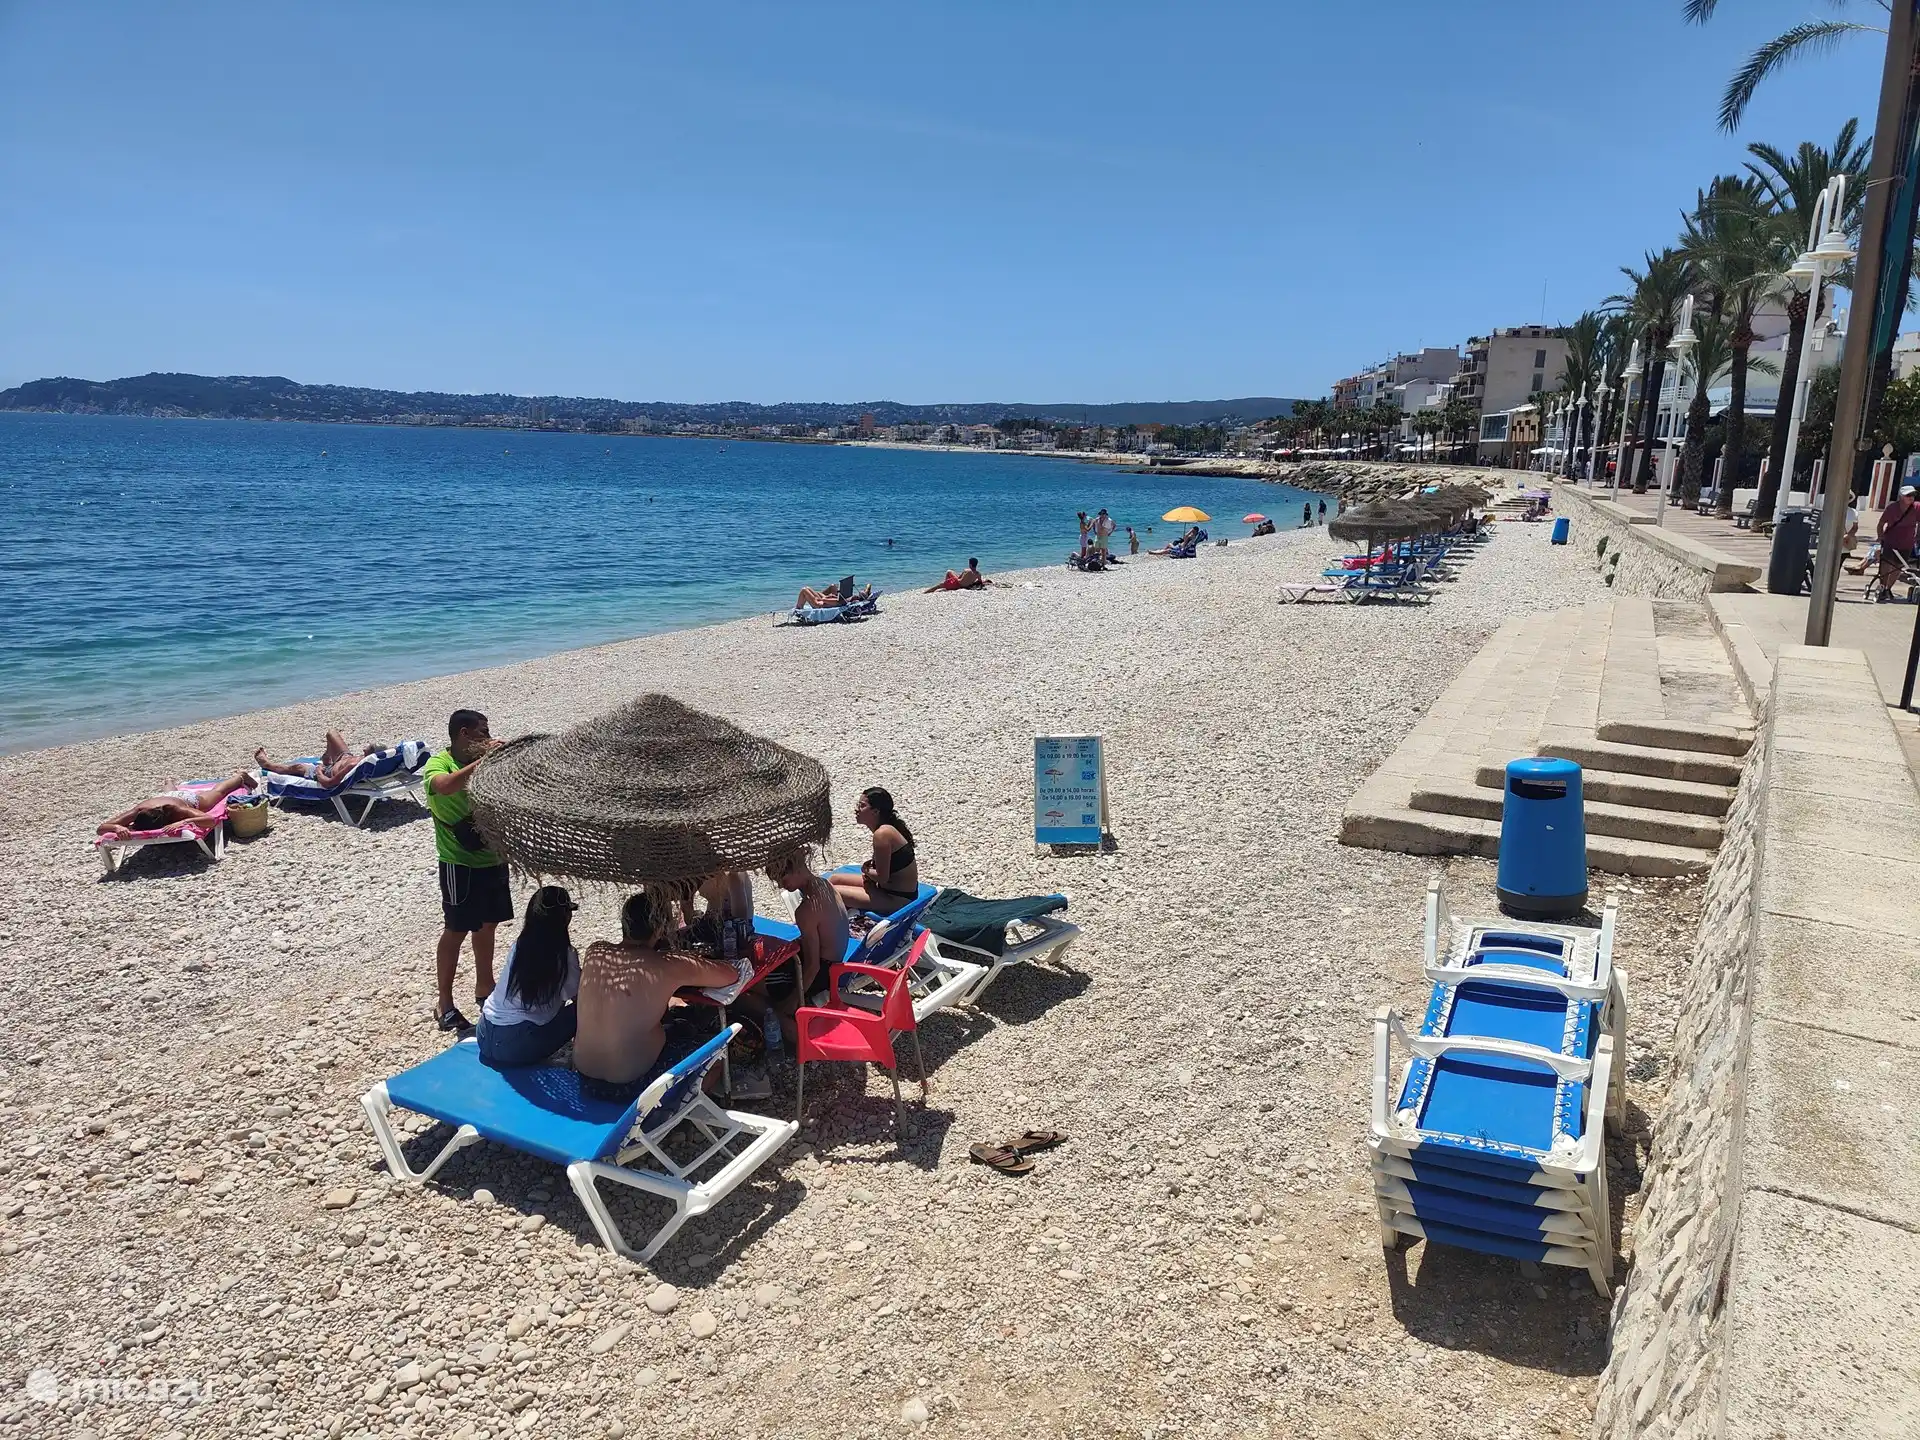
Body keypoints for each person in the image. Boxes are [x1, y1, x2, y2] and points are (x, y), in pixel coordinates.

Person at [573, 892, 740, 1101]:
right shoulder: (665, 964)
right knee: (717, 1058)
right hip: (635, 1090)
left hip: (585, 1079)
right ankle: (672, 1114)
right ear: (661, 928)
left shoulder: (596, 953)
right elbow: (730, 975)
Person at [424, 709, 509, 1034]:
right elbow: (443, 787)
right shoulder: (439, 763)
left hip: (492, 857)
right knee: (456, 930)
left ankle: (484, 988)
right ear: (463, 734)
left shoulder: (485, 761)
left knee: (487, 927)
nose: (487, 738)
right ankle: (445, 1003)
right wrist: (482, 762)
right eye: (482, 733)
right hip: (459, 863)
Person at [476, 886, 581, 1068]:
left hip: (484, 1034)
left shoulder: (519, 946)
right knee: (585, 1010)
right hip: (518, 1045)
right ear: (564, 917)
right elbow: (580, 998)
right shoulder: (564, 955)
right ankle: (587, 1059)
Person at [766, 850, 852, 1039]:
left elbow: (813, 966)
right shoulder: (825, 885)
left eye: (782, 878)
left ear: (796, 869)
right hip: (836, 964)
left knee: (758, 987)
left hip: (822, 974)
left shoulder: (806, 909)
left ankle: (790, 1029)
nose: (781, 884)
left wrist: (794, 999)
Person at [830, 786, 920, 913]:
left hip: (898, 899)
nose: (856, 810)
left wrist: (865, 869)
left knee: (831, 892)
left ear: (875, 811)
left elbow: (881, 877)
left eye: (862, 806)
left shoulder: (882, 834)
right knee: (834, 879)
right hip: (888, 889)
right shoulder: (887, 829)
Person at [98, 771, 255, 838]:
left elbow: (209, 820)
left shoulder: (178, 810)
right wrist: (117, 827)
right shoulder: (138, 811)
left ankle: (240, 777)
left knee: (217, 793)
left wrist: (185, 820)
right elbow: (101, 828)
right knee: (169, 793)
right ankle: (169, 782)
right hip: (166, 796)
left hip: (186, 798)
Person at [253, 731, 379, 787]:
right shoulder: (374, 762)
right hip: (344, 758)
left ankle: (267, 764)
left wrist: (319, 770)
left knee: (297, 767)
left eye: (367, 748)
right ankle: (327, 756)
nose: (363, 748)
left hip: (328, 771)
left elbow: (329, 783)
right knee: (332, 733)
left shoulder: (354, 766)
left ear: (370, 754)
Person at [681, 869, 755, 949]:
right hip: (713, 921)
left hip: (738, 926)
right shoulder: (695, 873)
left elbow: (741, 921)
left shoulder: (733, 874)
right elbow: (688, 916)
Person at [1875, 484, 1920, 598]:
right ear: (1901, 496)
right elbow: (1881, 524)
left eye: (1913, 495)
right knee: (1886, 564)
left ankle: (1888, 588)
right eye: (1908, 495)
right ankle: (1882, 586)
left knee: (1898, 566)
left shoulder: (1917, 507)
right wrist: (1880, 537)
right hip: (1890, 540)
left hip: (1907, 542)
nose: (1911, 497)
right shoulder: (1892, 508)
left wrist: (1917, 536)